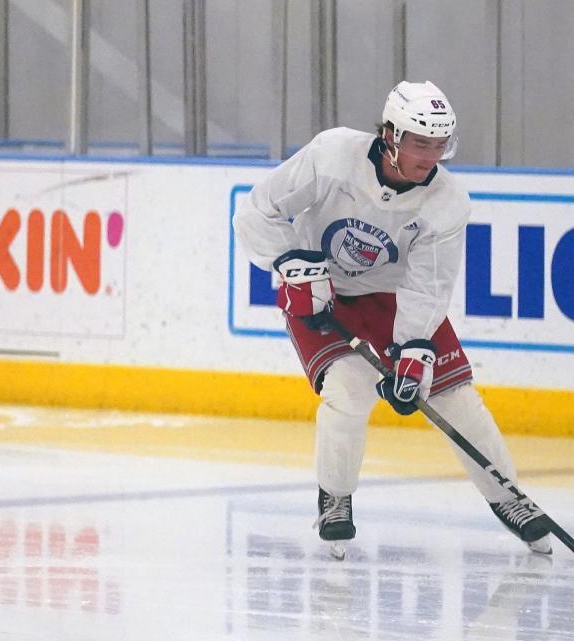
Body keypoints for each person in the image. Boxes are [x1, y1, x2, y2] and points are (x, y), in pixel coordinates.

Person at [233, 80, 552, 555]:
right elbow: (257, 212)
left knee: (456, 398)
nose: (431, 155)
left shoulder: (447, 203)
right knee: (347, 391)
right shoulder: (333, 156)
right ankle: (335, 498)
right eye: (421, 143)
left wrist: (414, 350)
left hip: (396, 298)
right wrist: (289, 260)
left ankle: (509, 498)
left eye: (440, 144)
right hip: (324, 290)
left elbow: (428, 286)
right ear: (390, 135)